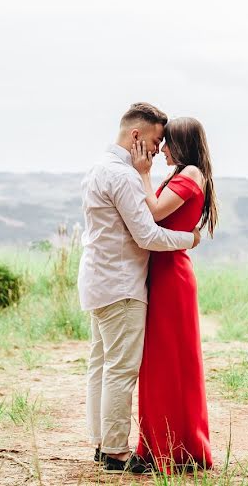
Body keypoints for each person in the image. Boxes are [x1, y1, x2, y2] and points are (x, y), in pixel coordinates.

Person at [77, 103, 202, 474]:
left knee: (100, 365)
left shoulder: (98, 168)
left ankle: (102, 443)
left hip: (97, 281)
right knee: (120, 369)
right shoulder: (125, 176)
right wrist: (190, 240)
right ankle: (116, 452)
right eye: (155, 140)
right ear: (136, 136)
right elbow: (147, 235)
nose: (157, 149)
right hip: (122, 286)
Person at [130, 116, 217, 473]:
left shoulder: (191, 174)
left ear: (181, 143)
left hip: (172, 278)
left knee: (171, 364)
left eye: (166, 143)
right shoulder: (185, 173)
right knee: (159, 364)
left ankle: (177, 447)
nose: (161, 148)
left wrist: (143, 172)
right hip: (162, 275)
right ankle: (160, 444)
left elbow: (153, 211)